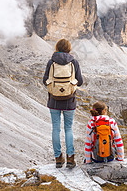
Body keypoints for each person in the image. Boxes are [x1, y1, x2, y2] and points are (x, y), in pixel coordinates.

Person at [43, 38, 83, 168]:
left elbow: (45, 80)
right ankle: (70, 158)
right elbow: (80, 81)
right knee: (68, 129)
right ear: (69, 48)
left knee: (55, 128)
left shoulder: (51, 62)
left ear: (57, 47)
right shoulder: (74, 62)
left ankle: (58, 159)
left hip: (54, 100)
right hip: (69, 101)